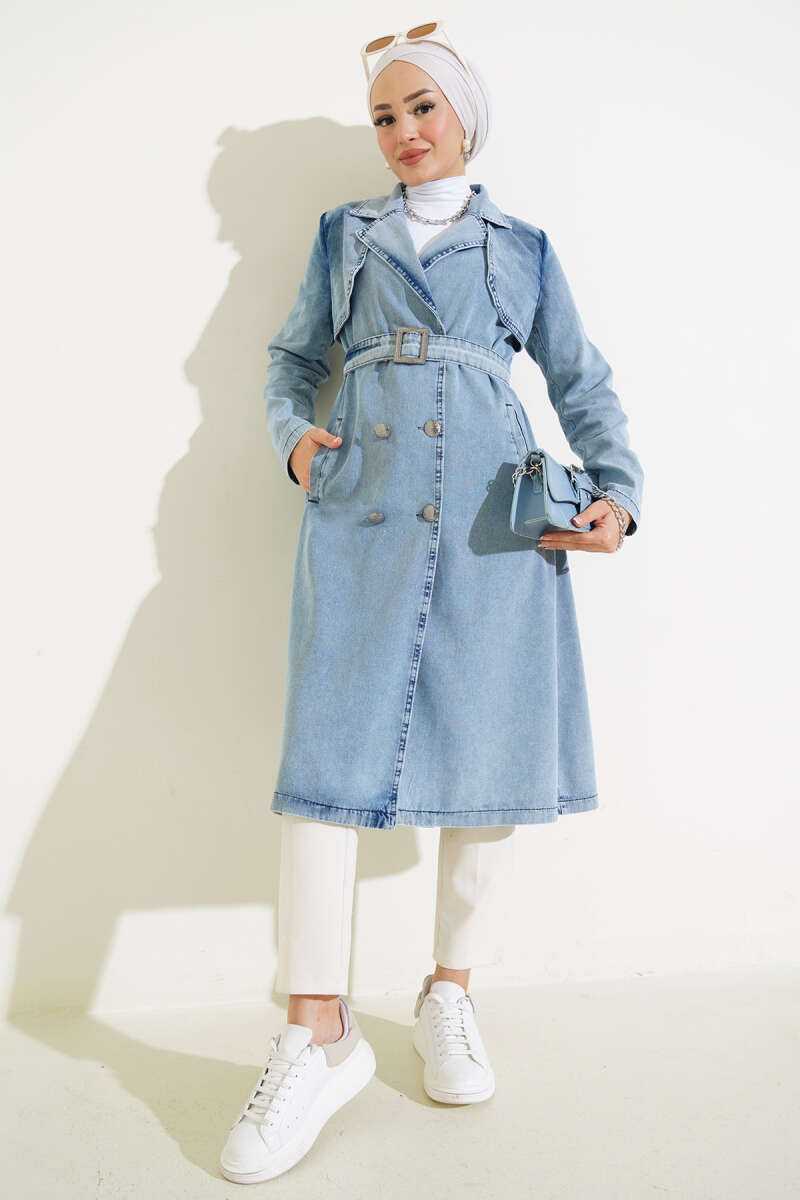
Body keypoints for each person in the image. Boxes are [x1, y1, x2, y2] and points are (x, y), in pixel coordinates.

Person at [220, 22, 644, 1185]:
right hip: (360, 513)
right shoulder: (342, 237)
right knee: (322, 762)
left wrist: (618, 493)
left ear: (463, 116)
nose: (402, 132)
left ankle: (449, 994)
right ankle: (316, 1030)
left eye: (421, 109)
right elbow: (286, 363)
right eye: (383, 116)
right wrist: (293, 440)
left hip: (491, 526)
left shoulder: (524, 247)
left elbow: (581, 382)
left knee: (486, 750)